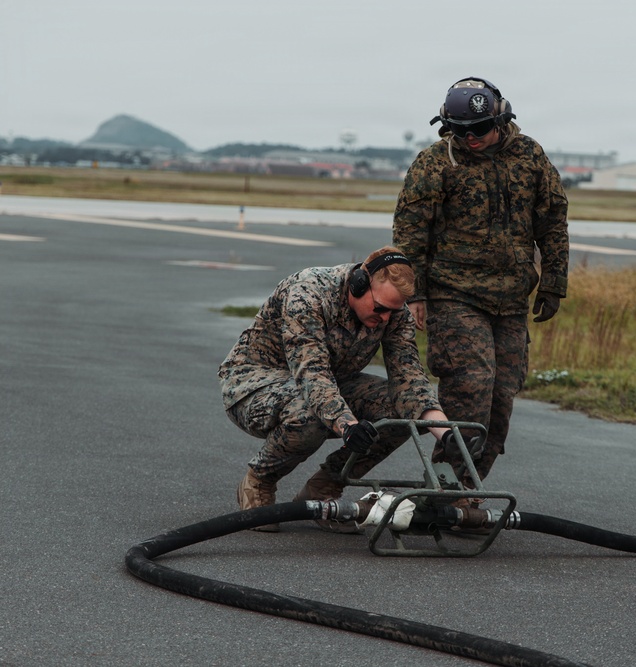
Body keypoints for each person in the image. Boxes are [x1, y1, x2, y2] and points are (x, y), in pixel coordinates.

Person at [392, 76, 569, 492]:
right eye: (460, 131)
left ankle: (467, 490)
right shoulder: (435, 163)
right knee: (471, 387)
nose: (470, 139)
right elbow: (411, 232)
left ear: (501, 120)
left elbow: (552, 221)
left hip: (511, 298)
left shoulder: (530, 156)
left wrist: (553, 282)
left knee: (501, 399)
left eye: (480, 129)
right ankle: (447, 486)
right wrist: (414, 294)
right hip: (454, 294)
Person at [221, 246, 451, 532]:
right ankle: (259, 481)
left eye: (392, 311)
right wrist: (348, 426)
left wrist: (446, 434)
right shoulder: (308, 293)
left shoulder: (393, 313)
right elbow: (312, 374)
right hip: (253, 385)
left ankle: (324, 487)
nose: (385, 318)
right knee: (310, 414)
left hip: (330, 382)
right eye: (380, 308)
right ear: (359, 284)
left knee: (404, 413)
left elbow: (410, 379)